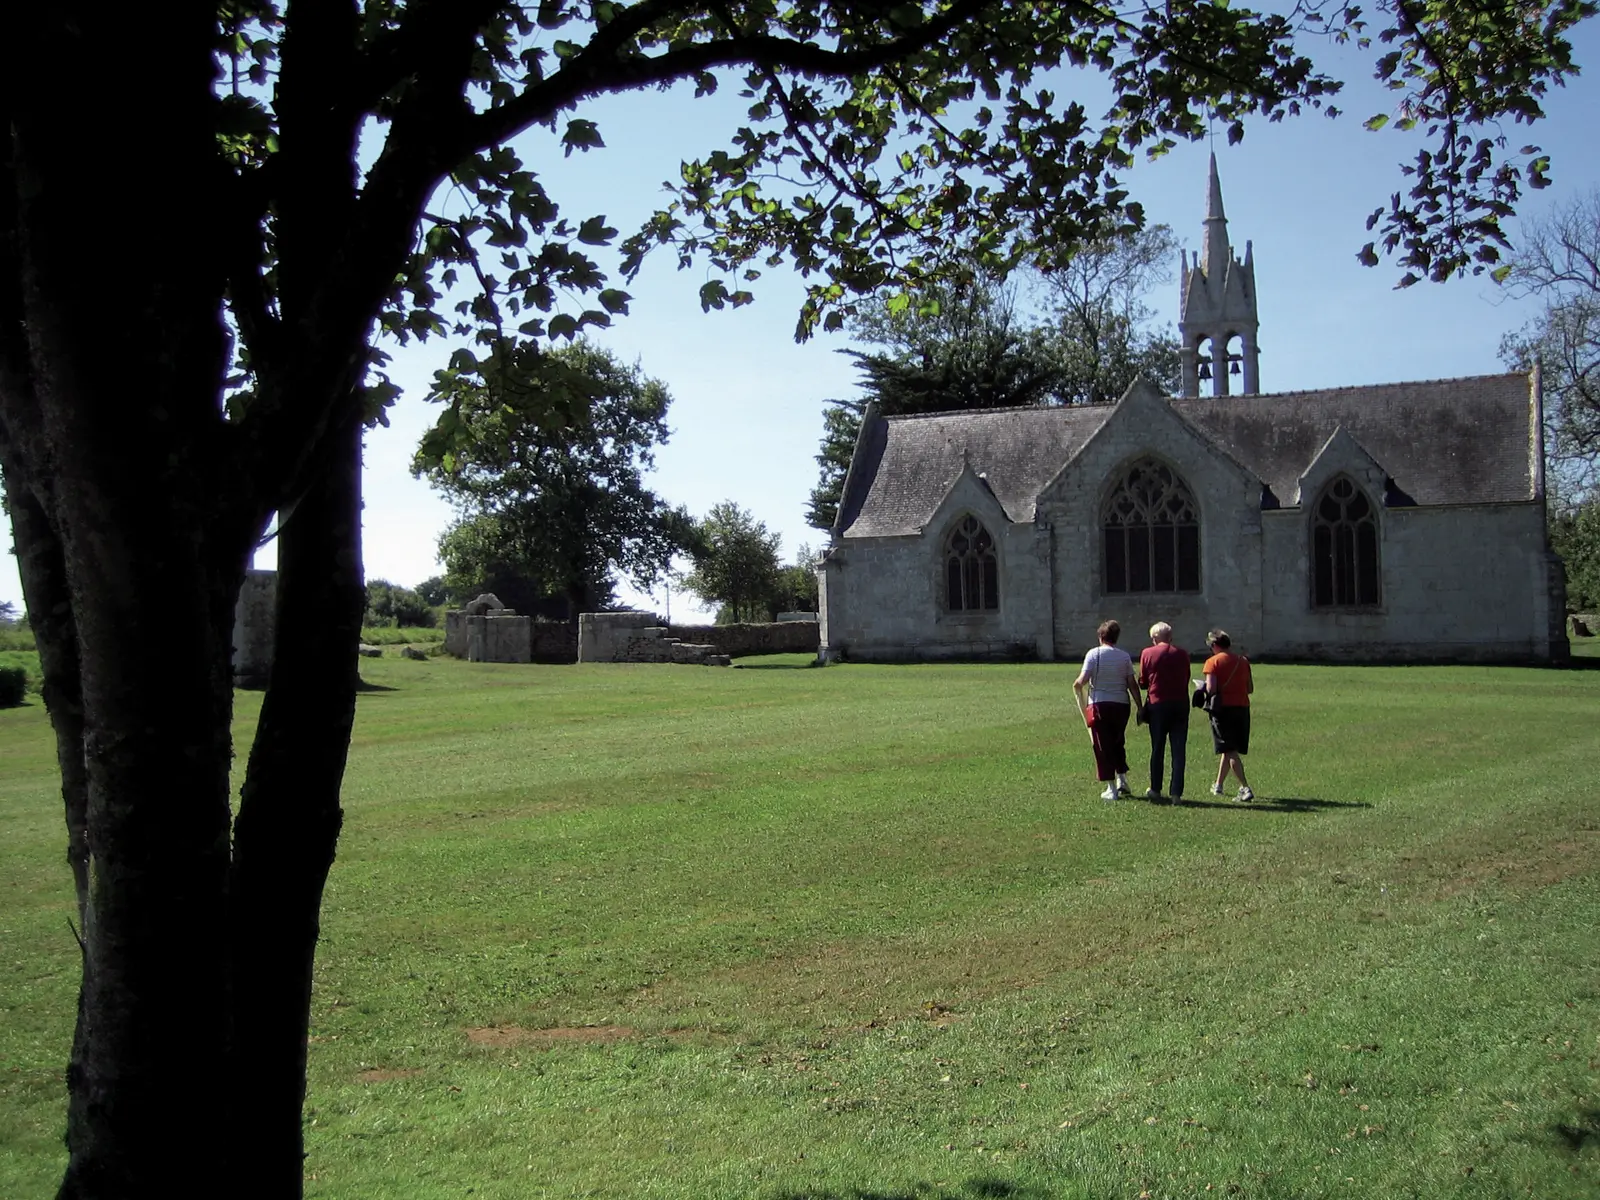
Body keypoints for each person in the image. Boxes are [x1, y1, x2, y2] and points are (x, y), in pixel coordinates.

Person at [1072, 620, 1142, 801]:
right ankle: (1122, 779)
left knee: (1102, 746)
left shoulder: (1093, 654)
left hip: (1100, 705)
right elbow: (1131, 684)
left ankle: (1111, 787)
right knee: (1117, 742)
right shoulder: (1124, 656)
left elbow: (1083, 679)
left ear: (1100, 637)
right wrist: (1139, 706)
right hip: (1121, 705)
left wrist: (1077, 686)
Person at [1137, 621, 1191, 802]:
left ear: (1154, 638)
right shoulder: (1182, 654)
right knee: (1178, 749)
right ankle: (1176, 792)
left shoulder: (1147, 653)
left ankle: (1155, 788)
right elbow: (1186, 677)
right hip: (1180, 704)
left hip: (1158, 704)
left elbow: (1143, 681)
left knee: (1157, 747)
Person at [1202, 629, 1255, 802]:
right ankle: (1218, 785)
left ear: (1215, 645)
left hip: (1222, 709)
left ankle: (1245, 787)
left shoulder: (1212, 662)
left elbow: (1211, 689)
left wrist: (1201, 689)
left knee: (1229, 749)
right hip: (1242, 708)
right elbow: (1250, 689)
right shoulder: (1243, 661)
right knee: (1229, 748)